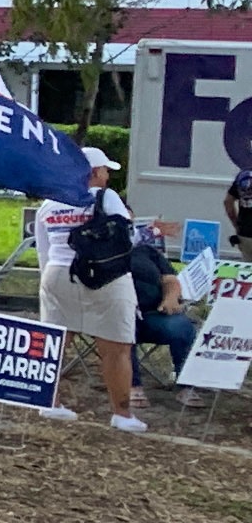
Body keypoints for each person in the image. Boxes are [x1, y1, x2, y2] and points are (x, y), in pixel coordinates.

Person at [38, 151, 148, 432]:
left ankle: (49, 401)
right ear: (95, 172)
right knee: (116, 347)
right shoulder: (105, 197)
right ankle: (121, 414)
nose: (108, 176)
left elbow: (44, 250)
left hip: (58, 273)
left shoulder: (48, 204)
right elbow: (128, 237)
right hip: (105, 276)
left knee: (55, 343)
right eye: (105, 170)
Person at [130, 217, 198, 389]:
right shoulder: (99, 254)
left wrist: (170, 298)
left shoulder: (146, 251)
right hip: (119, 316)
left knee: (181, 326)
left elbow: (170, 280)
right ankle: (133, 386)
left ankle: (186, 385)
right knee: (122, 328)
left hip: (154, 314)